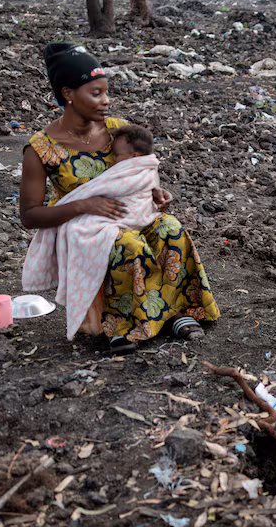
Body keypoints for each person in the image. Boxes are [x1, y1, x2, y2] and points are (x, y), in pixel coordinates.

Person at [19, 42, 219, 354]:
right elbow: (30, 216)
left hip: (131, 214)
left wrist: (155, 191)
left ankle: (176, 311)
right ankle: (120, 325)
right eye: (95, 93)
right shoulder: (41, 149)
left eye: (106, 92)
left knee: (170, 228)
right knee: (128, 245)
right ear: (68, 93)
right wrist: (84, 204)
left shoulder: (117, 131)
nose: (106, 101)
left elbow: (140, 170)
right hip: (83, 227)